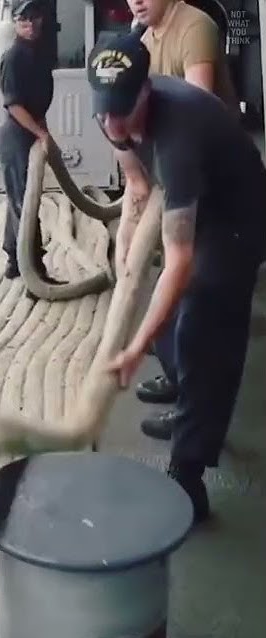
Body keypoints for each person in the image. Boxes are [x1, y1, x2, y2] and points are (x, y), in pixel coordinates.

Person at [87, 32, 266, 522]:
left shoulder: (179, 134)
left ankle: (188, 473)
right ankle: (184, 390)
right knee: (163, 314)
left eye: (122, 110)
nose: (112, 123)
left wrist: (132, 348)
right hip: (197, 199)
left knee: (205, 323)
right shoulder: (111, 113)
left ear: (146, 90)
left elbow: (181, 261)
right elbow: (136, 183)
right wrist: (125, 250)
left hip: (237, 214)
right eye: (104, 111)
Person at [127, 0, 240, 440]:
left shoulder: (194, 28)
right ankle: (179, 379)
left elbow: (196, 113)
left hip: (216, 182)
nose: (136, 0)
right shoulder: (145, 38)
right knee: (172, 299)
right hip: (180, 175)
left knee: (195, 304)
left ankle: (194, 417)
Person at [0, 0, 60, 283]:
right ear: (15, 22)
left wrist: (43, 132)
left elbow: (37, 104)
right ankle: (34, 269)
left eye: (34, 17)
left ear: (42, 20)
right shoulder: (13, 58)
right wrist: (41, 133)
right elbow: (14, 105)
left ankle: (14, 261)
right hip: (15, 135)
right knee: (26, 202)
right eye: (23, 18)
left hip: (31, 131)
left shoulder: (40, 57)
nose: (30, 23)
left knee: (20, 198)